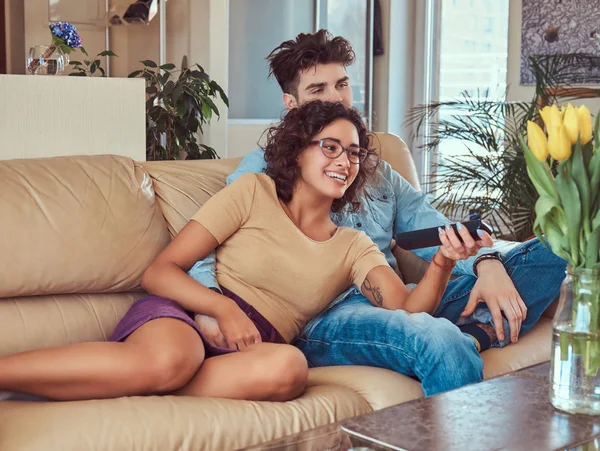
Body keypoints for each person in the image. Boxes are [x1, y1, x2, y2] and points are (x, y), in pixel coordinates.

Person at [0, 101, 490, 403]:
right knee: (175, 357)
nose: (345, 161)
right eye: (331, 147)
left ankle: (138, 381)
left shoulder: (353, 245)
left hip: (256, 348)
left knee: (289, 369)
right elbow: (160, 270)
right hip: (190, 313)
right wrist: (219, 306)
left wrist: (444, 263)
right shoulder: (253, 191)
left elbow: (409, 311)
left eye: (355, 153)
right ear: (297, 150)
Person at [189, 30, 568, 396]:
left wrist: (488, 263)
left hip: (400, 297)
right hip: (330, 314)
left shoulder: (375, 169)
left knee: (559, 249)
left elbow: (436, 229)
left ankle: (476, 336)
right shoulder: (262, 170)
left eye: (341, 84)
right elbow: (205, 246)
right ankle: (468, 336)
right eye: (317, 89)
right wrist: (212, 307)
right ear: (291, 104)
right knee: (433, 336)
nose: (336, 98)